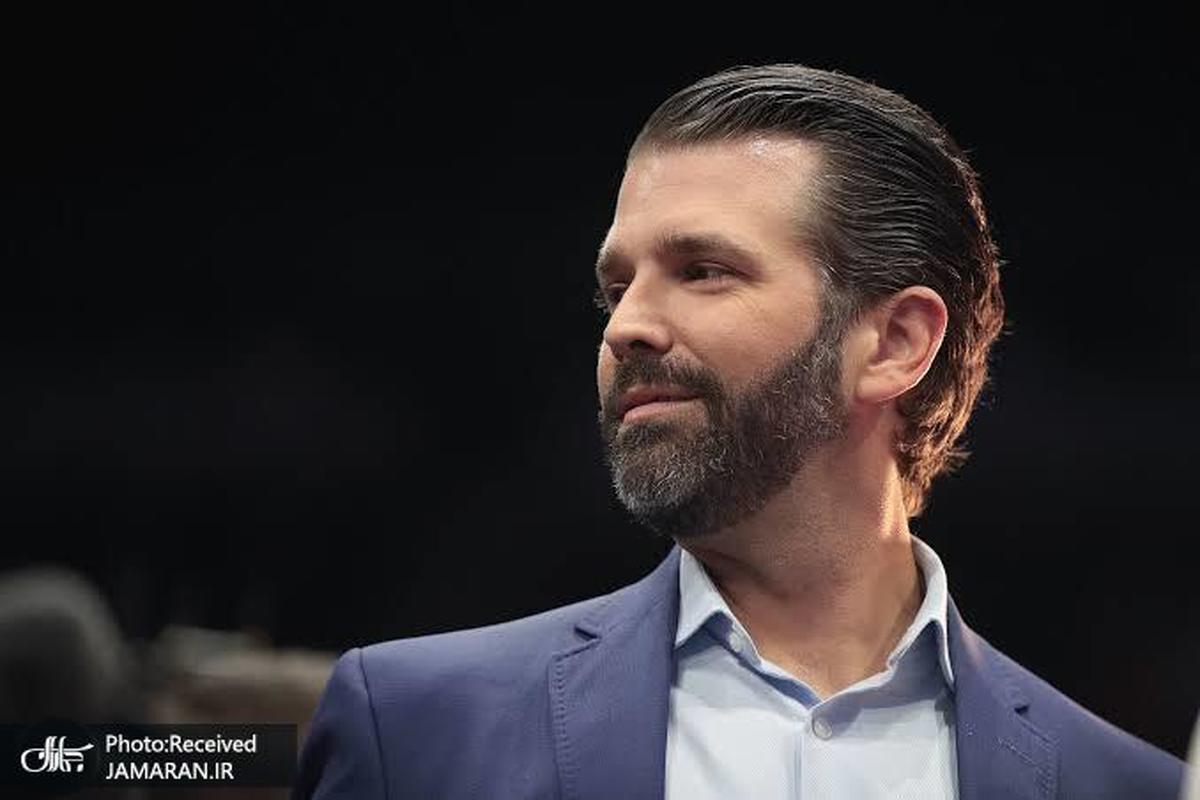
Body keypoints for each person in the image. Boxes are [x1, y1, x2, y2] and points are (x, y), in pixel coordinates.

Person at [294, 64, 1185, 799]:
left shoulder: (1125, 787)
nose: (625, 327)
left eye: (703, 270)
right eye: (616, 288)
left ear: (895, 343)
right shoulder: (411, 727)